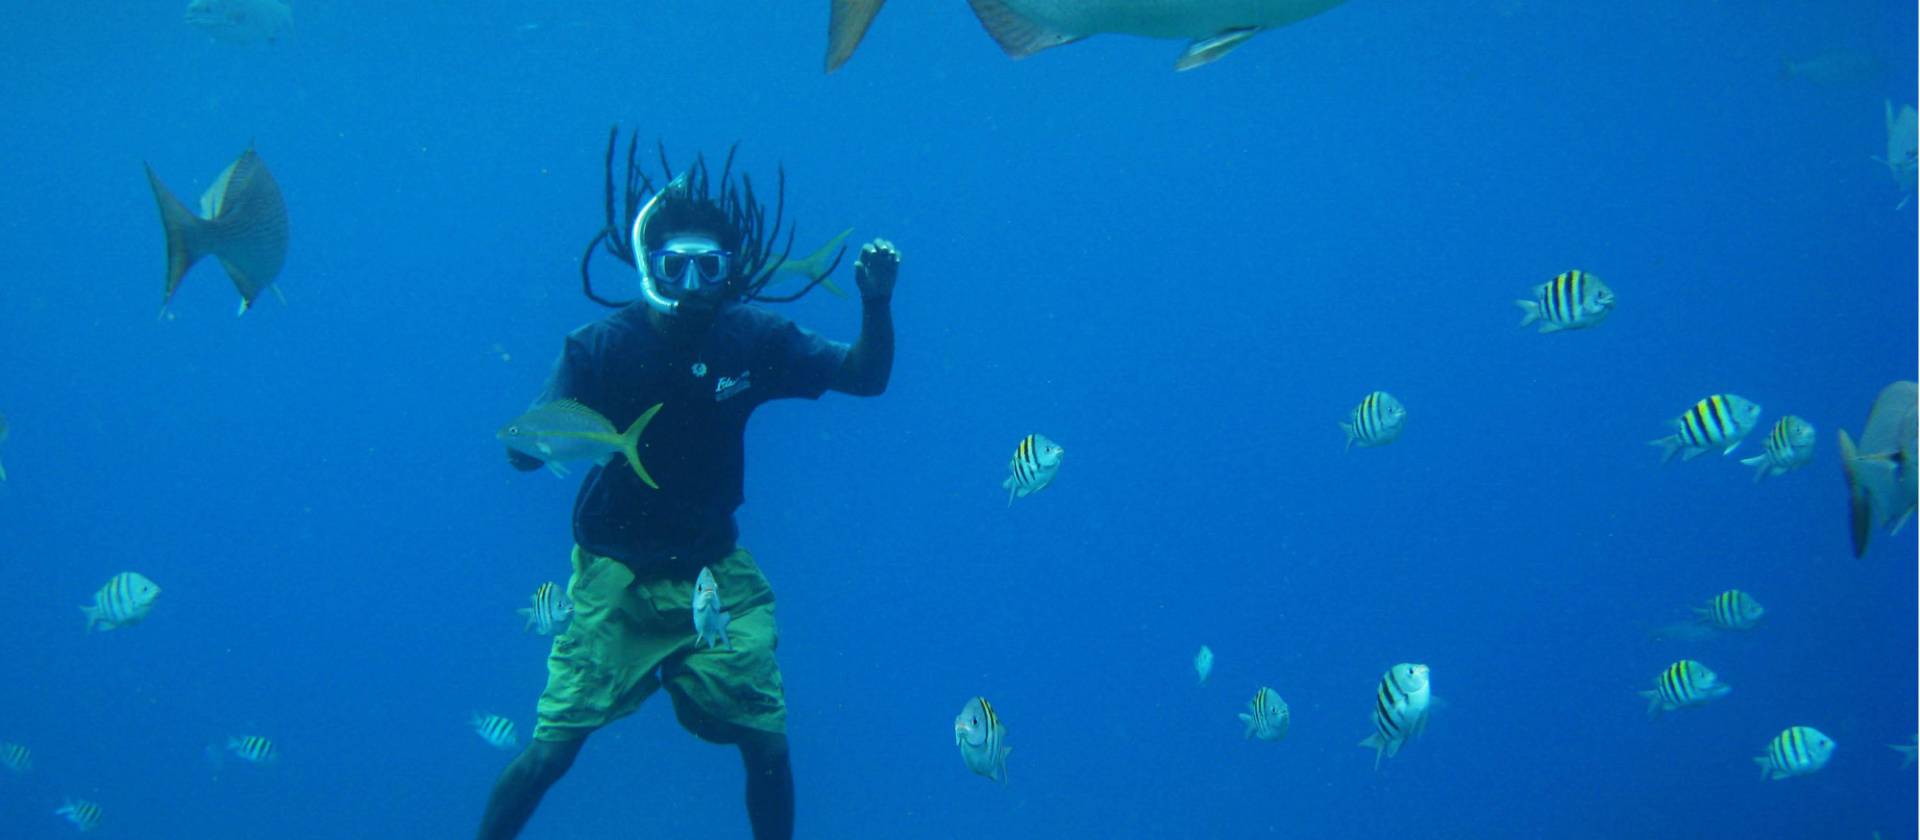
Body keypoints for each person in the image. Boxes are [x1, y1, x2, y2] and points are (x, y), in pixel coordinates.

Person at [476, 135, 897, 840]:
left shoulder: (752, 338)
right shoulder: (598, 347)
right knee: (551, 751)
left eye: (710, 267)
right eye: (676, 266)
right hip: (614, 577)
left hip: (714, 572)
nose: (694, 284)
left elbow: (864, 376)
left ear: (731, 270)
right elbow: (525, 454)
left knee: (766, 741)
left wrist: (875, 302)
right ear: (651, 267)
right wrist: (538, 443)